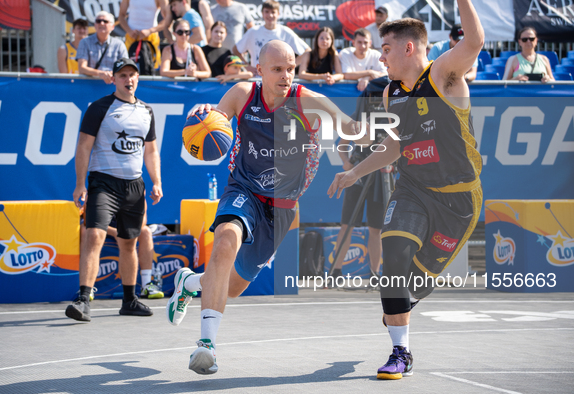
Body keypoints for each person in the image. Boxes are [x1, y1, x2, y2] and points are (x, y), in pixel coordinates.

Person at [166, 40, 364, 375]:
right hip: (243, 189)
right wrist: (200, 115)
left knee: (231, 285)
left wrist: (381, 131)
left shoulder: (308, 101)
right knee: (225, 242)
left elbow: (349, 127)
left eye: (291, 68)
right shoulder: (243, 94)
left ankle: (188, 283)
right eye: (278, 69)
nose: (286, 75)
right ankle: (206, 346)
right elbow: (214, 120)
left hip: (283, 206)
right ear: (260, 70)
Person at [328, 0, 484, 380]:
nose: (381, 58)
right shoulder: (390, 93)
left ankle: (400, 305)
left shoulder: (444, 75)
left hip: (459, 199)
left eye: (385, 49)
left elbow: (475, 42)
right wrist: (355, 172)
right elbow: (396, 144)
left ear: (408, 47)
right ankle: (401, 351)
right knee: (393, 258)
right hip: (413, 188)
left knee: (411, 285)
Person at [66, 58, 163, 322]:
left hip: (134, 185)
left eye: (132, 75)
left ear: (138, 79)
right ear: (114, 79)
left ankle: (129, 300)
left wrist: (157, 182)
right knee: (93, 235)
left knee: (129, 243)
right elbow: (84, 146)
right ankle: (83, 299)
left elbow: (151, 150)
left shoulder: (147, 111)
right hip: (104, 182)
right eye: (123, 75)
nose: (128, 80)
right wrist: (79, 183)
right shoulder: (99, 107)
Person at [330, 139, 384, 280]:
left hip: (381, 175)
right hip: (357, 172)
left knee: (376, 229)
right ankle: (336, 272)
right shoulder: (360, 116)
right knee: (347, 225)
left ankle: (375, 274)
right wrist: (346, 161)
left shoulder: (391, 118)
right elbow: (342, 144)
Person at [234, 0, 310, 73]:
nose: (270, 15)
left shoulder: (285, 32)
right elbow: (235, 50)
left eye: (273, 12)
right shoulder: (253, 32)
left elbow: (307, 51)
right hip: (257, 78)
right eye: (267, 12)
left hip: (278, 80)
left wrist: (290, 67)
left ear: (278, 14)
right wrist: (247, 67)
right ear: (262, 13)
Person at [77, 11, 128, 84]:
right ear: (95, 25)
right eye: (98, 21)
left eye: (105, 21)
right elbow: (82, 68)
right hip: (90, 87)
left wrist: (112, 74)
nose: (101, 23)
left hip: (114, 87)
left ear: (112, 26)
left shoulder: (119, 45)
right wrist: (101, 74)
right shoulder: (84, 42)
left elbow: (125, 68)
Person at [118, 0, 170, 70]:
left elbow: (168, 18)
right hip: (132, 37)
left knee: (152, 67)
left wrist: (150, 31)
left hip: (150, 38)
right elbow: (121, 16)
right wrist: (129, 31)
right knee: (127, 67)